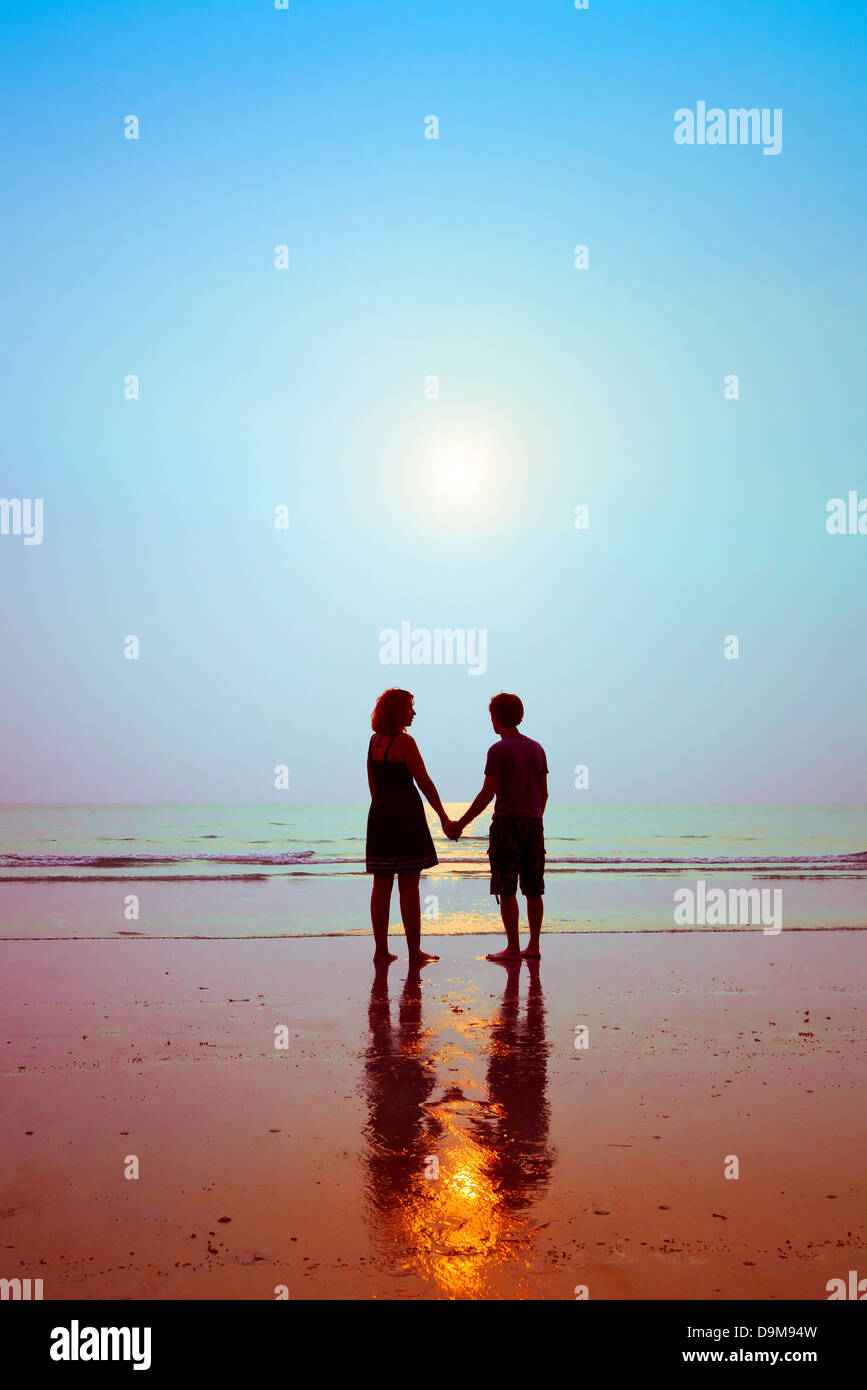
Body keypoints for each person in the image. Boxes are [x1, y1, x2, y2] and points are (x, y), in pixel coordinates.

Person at [449, 693, 548, 962]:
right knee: (534, 888)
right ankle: (534, 946)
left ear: (495, 718)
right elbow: (544, 793)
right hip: (533, 824)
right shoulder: (537, 748)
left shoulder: (498, 750)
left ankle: (514, 948)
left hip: (506, 823)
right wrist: (534, 816)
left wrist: (461, 824)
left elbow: (487, 794)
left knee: (507, 888)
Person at [366, 688, 457, 965]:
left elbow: (373, 785)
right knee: (409, 887)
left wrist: (382, 809)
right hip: (406, 816)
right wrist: (443, 817)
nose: (414, 712)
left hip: (380, 815)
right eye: (409, 708)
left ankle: (381, 951)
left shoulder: (374, 741)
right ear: (397, 711)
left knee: (381, 885)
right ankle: (414, 952)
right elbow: (425, 783)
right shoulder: (405, 742)